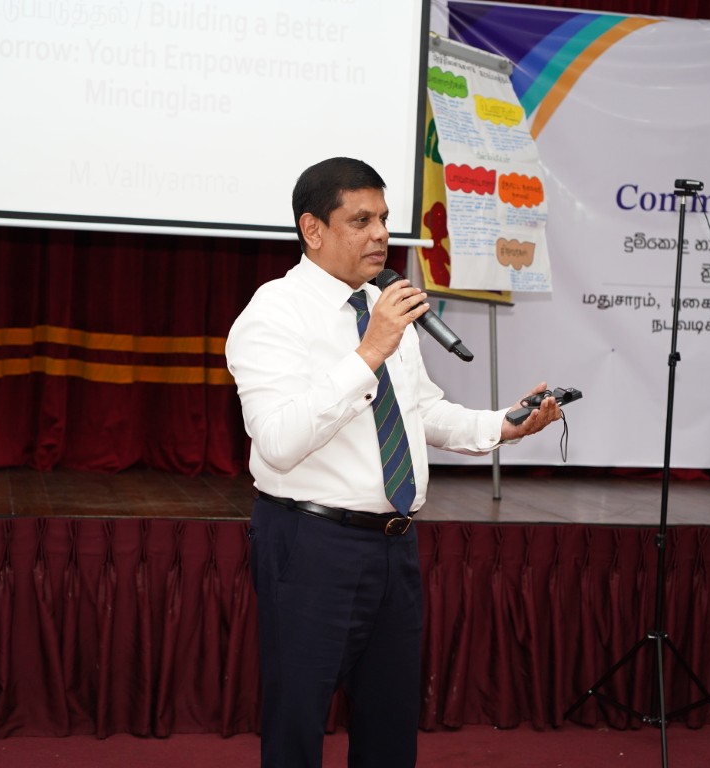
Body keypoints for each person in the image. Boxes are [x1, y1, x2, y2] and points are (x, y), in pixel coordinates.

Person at [225, 157, 561, 768]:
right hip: (310, 544)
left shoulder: (383, 305)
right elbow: (277, 440)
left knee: (389, 729)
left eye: (383, 218)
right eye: (361, 220)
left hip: (394, 545)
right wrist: (370, 351)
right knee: (296, 725)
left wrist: (501, 426)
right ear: (312, 229)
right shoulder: (274, 313)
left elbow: (419, 409)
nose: (381, 233)